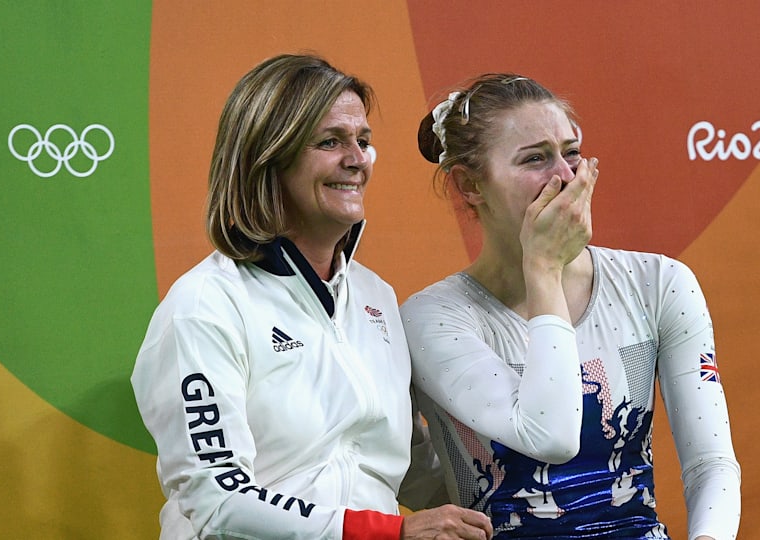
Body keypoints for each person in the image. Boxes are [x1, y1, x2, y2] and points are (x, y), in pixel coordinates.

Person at [131, 54, 493, 540]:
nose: (357, 159)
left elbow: (405, 463)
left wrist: (511, 509)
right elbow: (218, 500)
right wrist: (389, 533)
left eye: (363, 140)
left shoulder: (375, 296)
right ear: (268, 156)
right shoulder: (205, 305)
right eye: (330, 141)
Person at [402, 74, 741, 539]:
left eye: (572, 152)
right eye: (535, 158)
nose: (565, 176)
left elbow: (711, 463)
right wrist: (543, 266)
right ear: (470, 184)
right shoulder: (433, 317)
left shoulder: (659, 283)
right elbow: (552, 437)